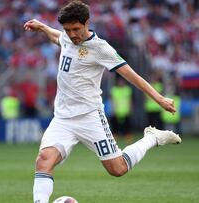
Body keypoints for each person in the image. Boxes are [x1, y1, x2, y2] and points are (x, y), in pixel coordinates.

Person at [23, 1, 182, 203]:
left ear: (87, 23)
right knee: (44, 161)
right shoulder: (67, 38)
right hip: (62, 118)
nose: (72, 34)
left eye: (76, 29)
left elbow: (131, 75)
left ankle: (152, 138)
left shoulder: (101, 48)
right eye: (67, 29)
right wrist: (43, 27)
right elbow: (58, 37)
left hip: (90, 117)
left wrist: (159, 99)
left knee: (117, 169)